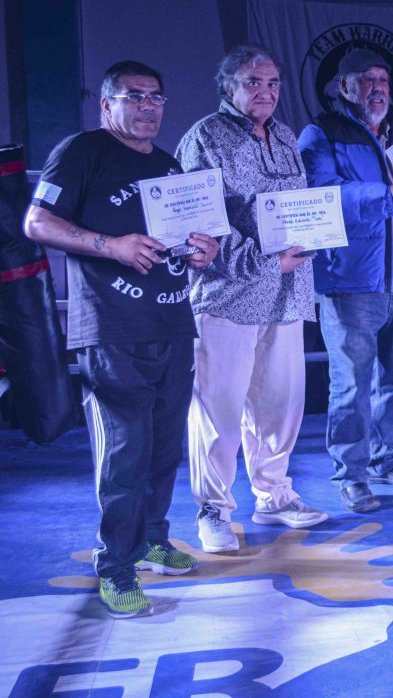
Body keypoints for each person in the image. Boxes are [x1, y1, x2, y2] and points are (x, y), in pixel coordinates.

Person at [24, 60, 219, 617]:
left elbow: (190, 239)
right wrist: (111, 246)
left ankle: (153, 538)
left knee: (164, 445)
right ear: (106, 104)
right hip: (111, 328)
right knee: (126, 450)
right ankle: (115, 564)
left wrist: (203, 251)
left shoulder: (167, 164)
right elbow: (37, 222)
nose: (148, 106)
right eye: (135, 96)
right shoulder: (82, 151)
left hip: (171, 322)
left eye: (156, 97)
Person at [177, 45, 327, 553]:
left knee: (280, 402)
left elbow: (298, 210)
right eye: (253, 82)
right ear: (228, 88)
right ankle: (213, 510)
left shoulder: (284, 136)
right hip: (228, 294)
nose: (266, 91)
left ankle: (274, 494)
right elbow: (202, 224)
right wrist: (265, 263)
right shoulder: (204, 137)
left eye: (273, 83)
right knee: (218, 409)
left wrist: (312, 236)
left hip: (286, 293)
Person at [299, 48, 393, 513]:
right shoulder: (322, 133)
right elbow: (321, 194)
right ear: (343, 87)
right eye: (366, 80)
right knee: (351, 384)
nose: (378, 88)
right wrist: (389, 195)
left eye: (383, 80)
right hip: (351, 281)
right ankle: (351, 474)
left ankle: (385, 460)